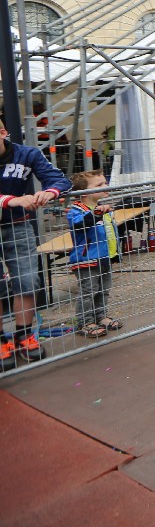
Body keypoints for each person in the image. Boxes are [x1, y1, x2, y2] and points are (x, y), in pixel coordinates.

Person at [0, 117, 72, 369]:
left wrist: (49, 192)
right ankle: (1, 341)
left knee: (28, 280)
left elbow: (60, 179)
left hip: (17, 226)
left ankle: (24, 335)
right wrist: (11, 200)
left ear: (3, 132)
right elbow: (12, 199)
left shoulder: (27, 154)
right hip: (13, 216)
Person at [66, 170, 122, 338]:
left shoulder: (103, 209)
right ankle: (85, 322)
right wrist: (95, 214)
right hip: (87, 259)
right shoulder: (76, 210)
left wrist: (115, 253)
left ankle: (100, 316)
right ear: (84, 193)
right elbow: (80, 223)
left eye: (105, 183)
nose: (105, 186)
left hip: (104, 257)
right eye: (99, 185)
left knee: (104, 289)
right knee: (88, 291)